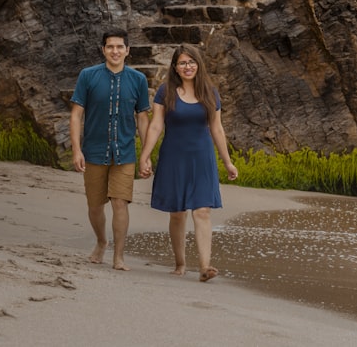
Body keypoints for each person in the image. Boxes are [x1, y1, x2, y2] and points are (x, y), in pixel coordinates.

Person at [139, 43, 239, 281]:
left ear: (198, 64)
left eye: (191, 62)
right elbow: (155, 125)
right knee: (177, 213)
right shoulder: (166, 91)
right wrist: (145, 156)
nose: (187, 66)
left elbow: (217, 128)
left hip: (202, 157)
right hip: (174, 156)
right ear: (175, 66)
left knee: (202, 210)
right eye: (182, 62)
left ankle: (205, 266)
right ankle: (180, 262)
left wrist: (228, 162)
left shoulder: (210, 92)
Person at [69, 29, 151, 271]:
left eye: (119, 47)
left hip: (124, 153)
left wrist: (146, 155)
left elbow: (143, 118)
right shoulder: (88, 76)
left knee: (119, 203)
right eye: (110, 47)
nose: (115, 51)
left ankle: (119, 256)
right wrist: (76, 150)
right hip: (94, 151)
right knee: (95, 206)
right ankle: (101, 241)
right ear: (103, 49)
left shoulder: (138, 80)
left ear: (128, 50)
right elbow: (76, 115)